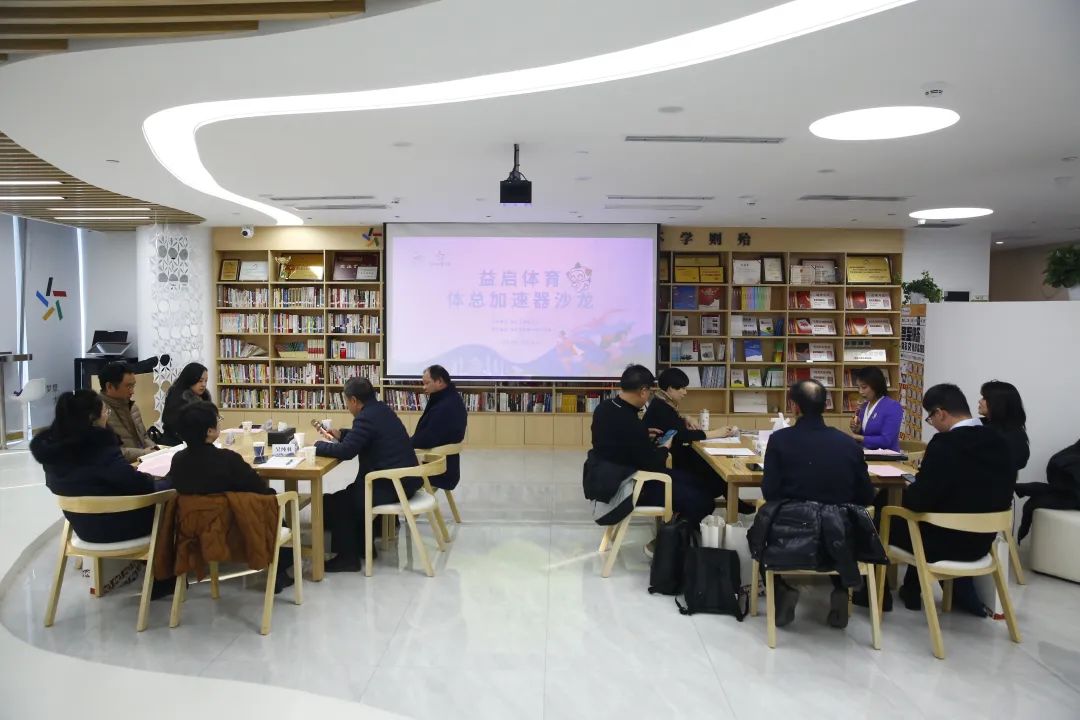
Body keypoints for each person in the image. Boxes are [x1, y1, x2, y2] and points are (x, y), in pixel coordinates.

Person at [882, 383, 1014, 612]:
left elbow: (918, 502)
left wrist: (912, 487)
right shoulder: (1002, 442)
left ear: (940, 413)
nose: (932, 424)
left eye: (930, 418)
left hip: (940, 544)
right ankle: (912, 589)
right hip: (982, 544)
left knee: (880, 511)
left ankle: (877, 596)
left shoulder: (944, 444)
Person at [29, 390, 173, 597]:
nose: (107, 415)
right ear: (92, 418)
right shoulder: (99, 450)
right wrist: (168, 481)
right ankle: (164, 576)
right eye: (105, 411)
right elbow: (139, 486)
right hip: (115, 527)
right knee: (172, 496)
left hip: (81, 526)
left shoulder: (52, 453)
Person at [761, 380, 877, 629]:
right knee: (834, 528)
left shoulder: (780, 440)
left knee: (760, 529)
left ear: (794, 407)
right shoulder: (849, 444)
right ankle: (841, 588)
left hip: (791, 537)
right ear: (825, 405)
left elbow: (770, 492)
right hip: (840, 539)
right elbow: (866, 495)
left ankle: (782, 590)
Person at [168, 401, 292, 592]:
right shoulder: (227, 459)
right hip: (236, 530)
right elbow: (257, 487)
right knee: (272, 502)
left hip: (193, 532)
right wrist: (273, 496)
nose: (220, 422)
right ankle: (280, 569)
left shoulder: (178, 461)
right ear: (210, 431)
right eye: (217, 419)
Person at [313, 377, 420, 572]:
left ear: (354, 400)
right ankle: (363, 547)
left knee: (339, 503)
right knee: (347, 495)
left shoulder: (365, 417)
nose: (347, 406)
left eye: (347, 402)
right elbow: (365, 437)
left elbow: (347, 451)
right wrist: (341, 434)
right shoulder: (381, 410)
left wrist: (316, 447)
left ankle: (348, 559)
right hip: (405, 480)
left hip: (392, 485)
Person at [590, 364, 713, 529]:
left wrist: (643, 434)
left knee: (696, 482)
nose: (649, 396)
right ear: (643, 391)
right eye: (649, 391)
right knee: (704, 499)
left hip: (608, 479)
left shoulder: (605, 408)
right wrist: (665, 447)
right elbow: (653, 464)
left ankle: (678, 528)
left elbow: (616, 441)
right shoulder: (631, 422)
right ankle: (671, 537)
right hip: (630, 487)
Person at [642, 367, 747, 509]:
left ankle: (731, 498)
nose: (685, 392)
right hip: (667, 458)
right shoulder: (661, 407)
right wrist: (716, 433)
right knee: (710, 465)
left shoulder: (662, 402)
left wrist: (686, 418)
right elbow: (683, 435)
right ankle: (729, 499)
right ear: (670, 388)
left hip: (672, 453)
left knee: (708, 463)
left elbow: (674, 425)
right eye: (682, 388)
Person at [410, 364, 468, 493]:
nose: (424, 387)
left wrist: (403, 443)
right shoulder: (451, 398)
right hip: (447, 465)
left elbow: (424, 440)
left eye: (427, 383)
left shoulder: (444, 407)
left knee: (388, 465)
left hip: (438, 469)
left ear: (440, 381)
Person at [1015, 437, 1080, 541]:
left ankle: (1026, 488)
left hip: (1060, 466)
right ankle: (1026, 489)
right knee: (1072, 498)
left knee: (1064, 493)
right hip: (1069, 469)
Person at [98, 361, 157, 461]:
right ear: (109, 386)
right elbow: (108, 451)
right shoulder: (98, 413)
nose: (132, 391)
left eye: (133, 386)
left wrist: (155, 449)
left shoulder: (132, 407)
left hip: (142, 462)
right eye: (128, 386)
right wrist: (143, 453)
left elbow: (144, 437)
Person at [978, 380, 1030, 474]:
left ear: (998, 403)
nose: (980, 401)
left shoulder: (1013, 437)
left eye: (985, 398)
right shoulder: (977, 425)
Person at [849, 366, 903, 452]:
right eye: (858, 388)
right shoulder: (864, 406)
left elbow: (886, 441)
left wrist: (858, 437)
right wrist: (858, 430)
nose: (860, 392)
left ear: (876, 386)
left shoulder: (893, 407)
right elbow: (865, 436)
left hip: (887, 457)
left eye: (864, 387)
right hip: (865, 454)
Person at [161, 362, 212, 445]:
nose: (204, 384)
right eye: (200, 381)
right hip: (176, 444)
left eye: (206, 381)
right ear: (190, 379)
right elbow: (179, 429)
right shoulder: (178, 399)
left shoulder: (203, 397)